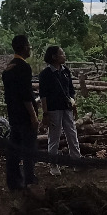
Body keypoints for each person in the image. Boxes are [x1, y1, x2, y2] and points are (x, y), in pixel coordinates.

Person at [2, 34, 39, 193]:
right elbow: (25, 95)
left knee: (14, 149)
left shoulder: (8, 67)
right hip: (24, 115)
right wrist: (33, 116)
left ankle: (13, 181)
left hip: (13, 114)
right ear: (24, 47)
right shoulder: (23, 67)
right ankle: (29, 179)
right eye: (29, 45)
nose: (30, 48)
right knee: (29, 148)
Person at [38, 45, 81, 176]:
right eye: (61, 54)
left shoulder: (65, 71)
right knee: (54, 137)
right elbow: (43, 95)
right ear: (54, 57)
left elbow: (71, 91)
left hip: (67, 108)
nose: (64, 55)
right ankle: (53, 164)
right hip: (53, 109)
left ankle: (77, 161)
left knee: (72, 134)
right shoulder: (45, 74)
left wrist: (73, 104)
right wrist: (45, 113)